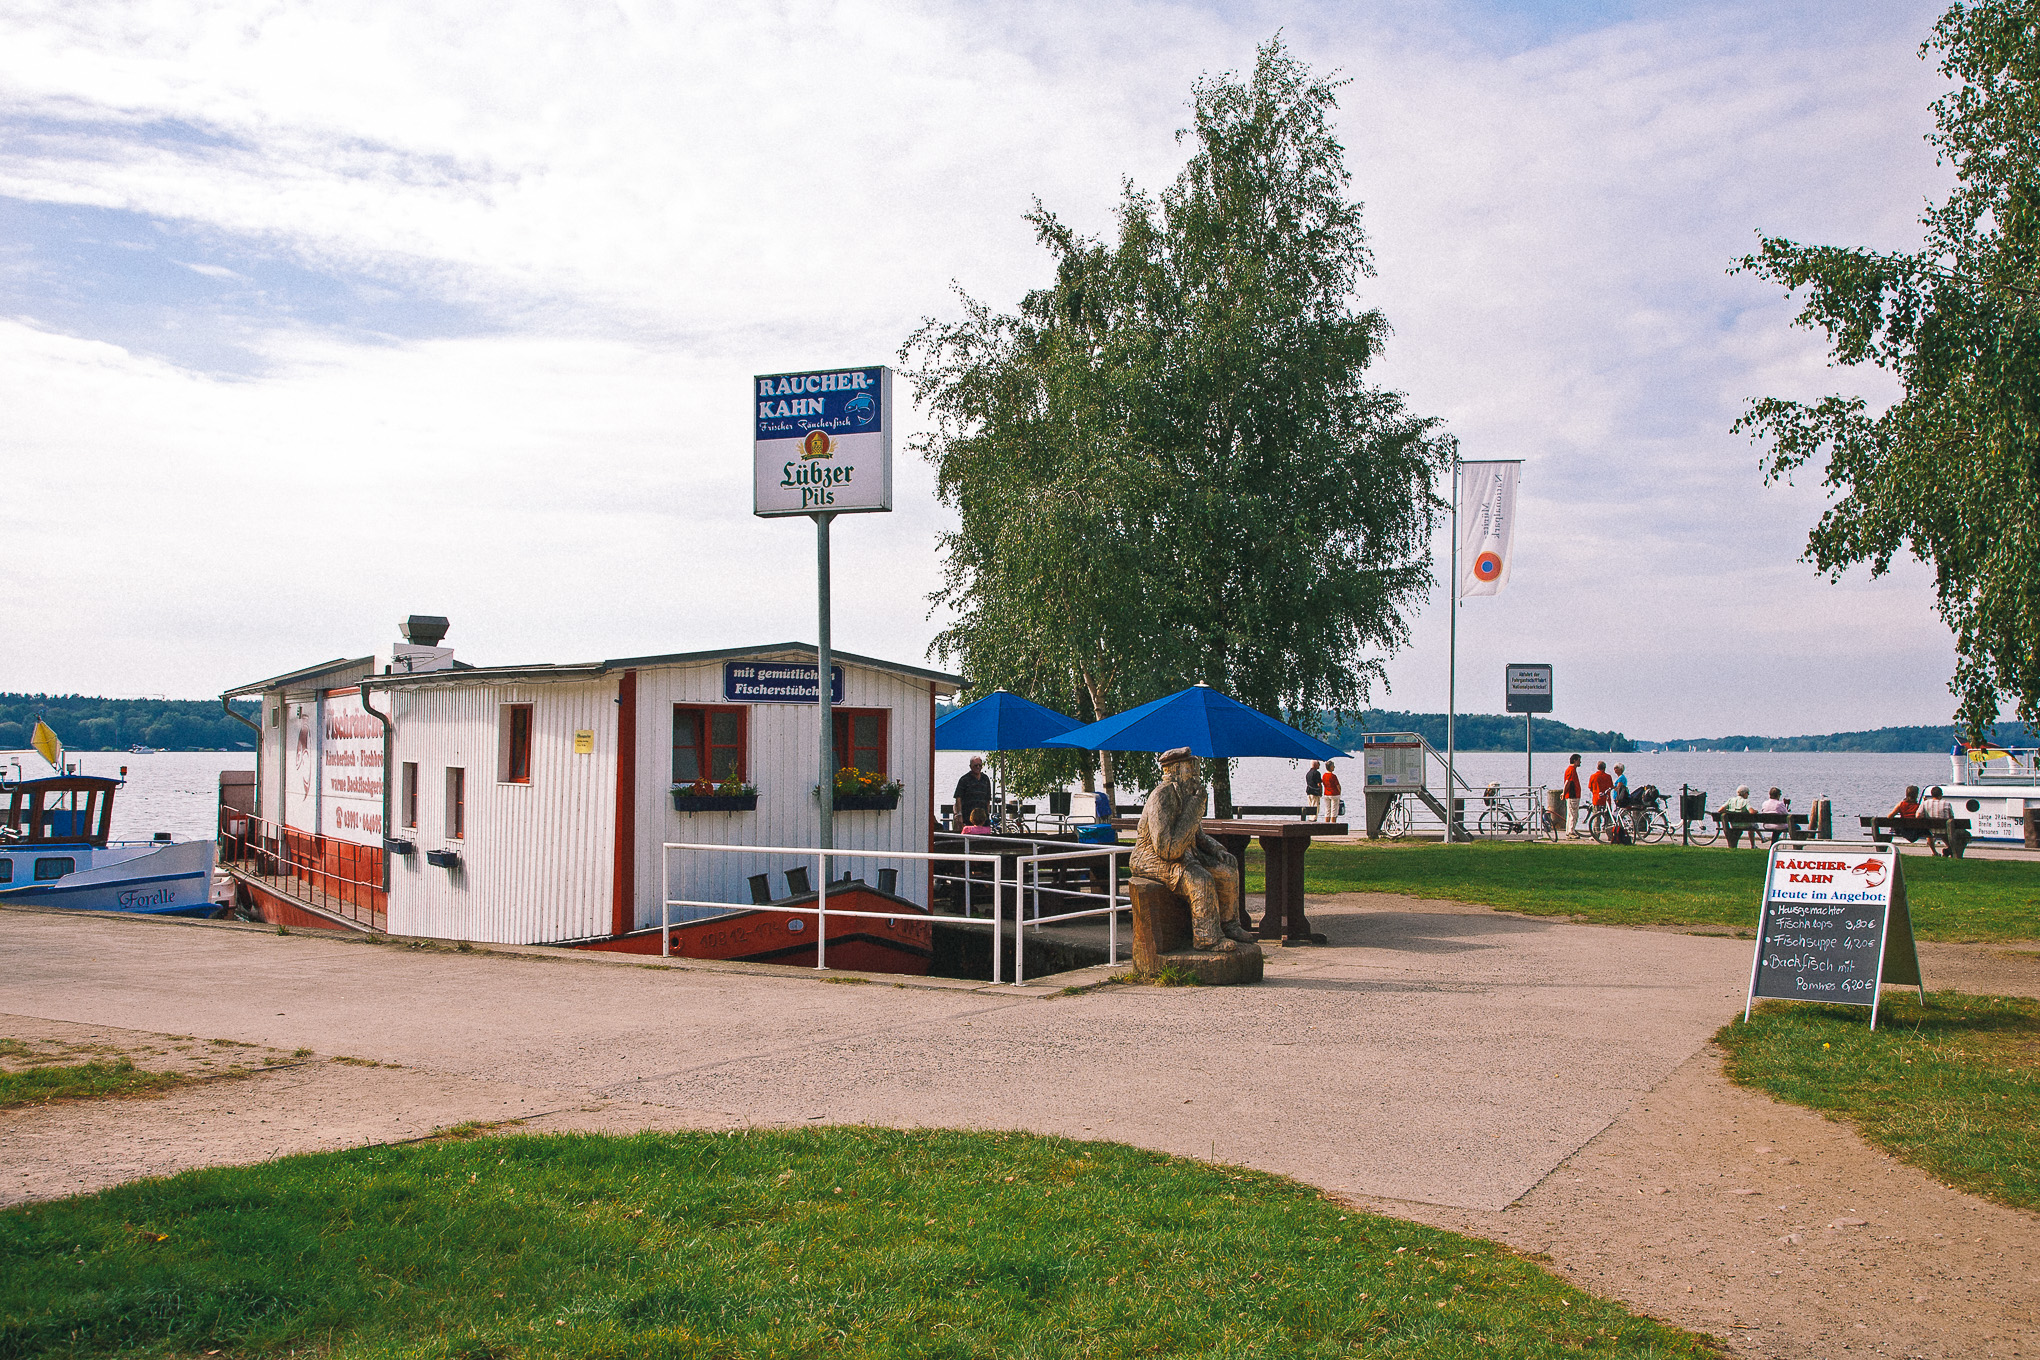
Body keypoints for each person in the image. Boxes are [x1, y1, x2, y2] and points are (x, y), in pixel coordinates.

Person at [1131, 746, 1252, 951]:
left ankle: (1229, 924)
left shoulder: (1187, 794)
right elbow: (1167, 849)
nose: (1196, 774)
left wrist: (1217, 850)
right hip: (1152, 857)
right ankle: (1207, 938)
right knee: (1200, 879)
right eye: (1191, 768)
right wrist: (1196, 806)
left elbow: (1198, 835)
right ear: (1175, 770)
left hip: (1180, 853)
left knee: (1227, 871)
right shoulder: (1162, 796)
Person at [953, 756, 991, 831]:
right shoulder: (964, 780)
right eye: (975, 765)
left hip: (983, 818)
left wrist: (987, 814)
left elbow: (988, 799)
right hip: (968, 816)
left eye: (980, 765)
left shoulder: (985, 779)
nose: (978, 767)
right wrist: (959, 815)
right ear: (970, 767)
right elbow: (958, 797)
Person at [1562, 755, 1583, 836]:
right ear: (1574, 760)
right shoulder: (1571, 770)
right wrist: (1564, 793)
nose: (1580, 762)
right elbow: (1568, 782)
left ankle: (1569, 831)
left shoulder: (1572, 770)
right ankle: (1571, 831)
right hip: (1572, 795)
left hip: (1572, 795)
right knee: (1574, 814)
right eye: (1579, 760)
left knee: (1570, 814)